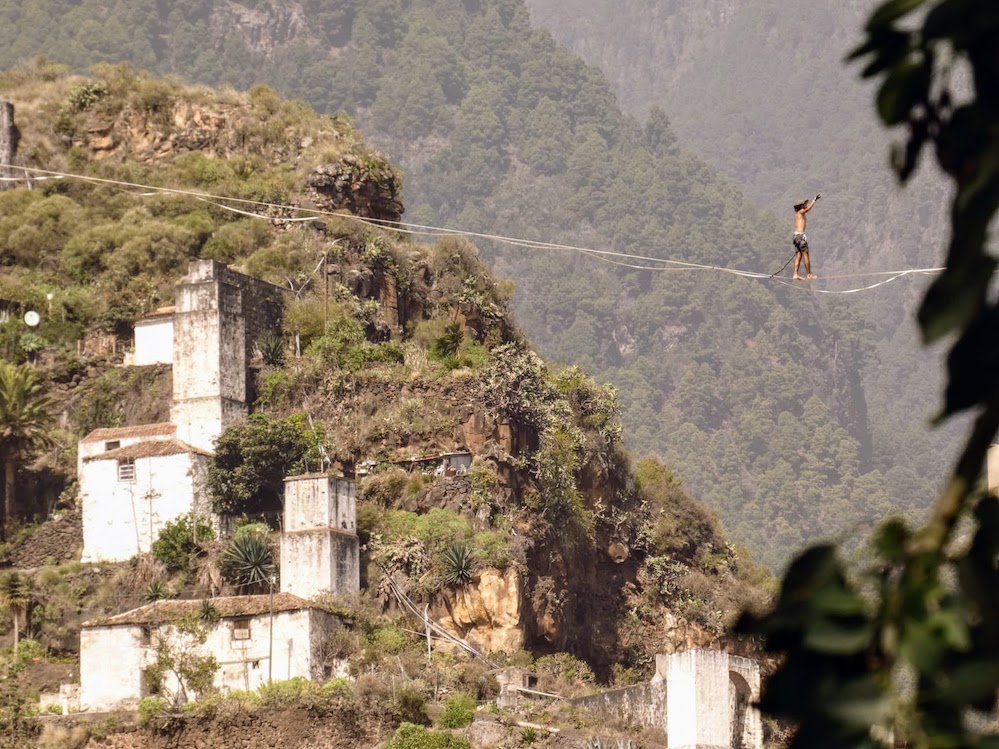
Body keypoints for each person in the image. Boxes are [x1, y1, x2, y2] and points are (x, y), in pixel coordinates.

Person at [792, 194, 820, 280]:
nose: (806, 205)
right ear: (801, 206)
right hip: (800, 237)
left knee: (798, 256)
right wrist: (814, 200)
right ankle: (809, 274)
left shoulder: (797, 214)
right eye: (804, 204)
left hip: (796, 237)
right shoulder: (801, 212)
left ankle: (795, 274)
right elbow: (808, 209)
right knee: (805, 254)